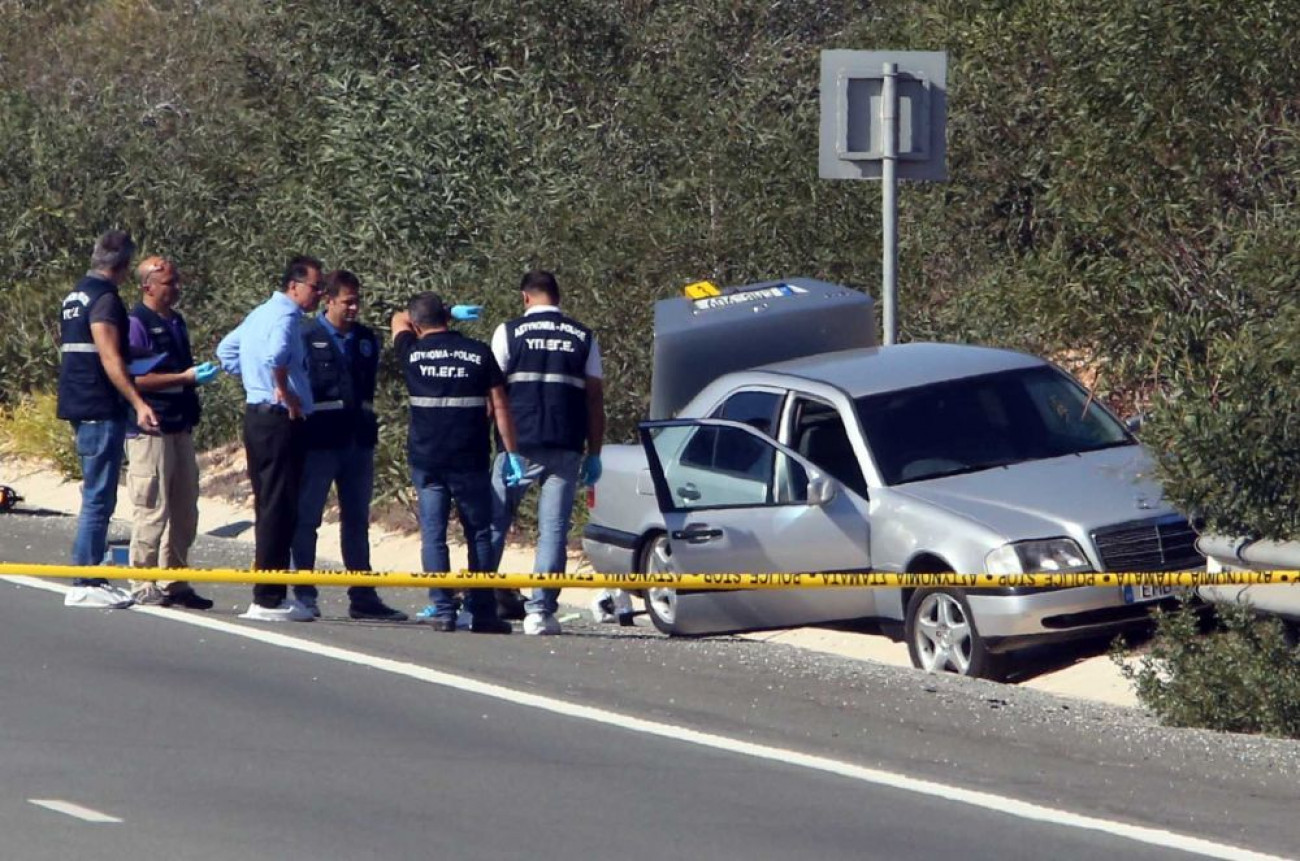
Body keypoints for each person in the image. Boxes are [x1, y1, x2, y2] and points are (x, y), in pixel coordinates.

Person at [393, 292, 525, 633]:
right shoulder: (478, 353)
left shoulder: (412, 351)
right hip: (469, 458)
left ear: (419, 324)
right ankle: (482, 612)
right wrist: (510, 452)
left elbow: (398, 318)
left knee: (434, 534)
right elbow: (500, 407)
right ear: (448, 320)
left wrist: (444, 311)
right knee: (478, 533)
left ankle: (442, 610)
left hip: (427, 459)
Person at [489, 270, 605, 636]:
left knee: (495, 522)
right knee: (552, 530)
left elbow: (492, 394)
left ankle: (479, 600)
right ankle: (540, 611)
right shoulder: (583, 336)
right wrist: (595, 452)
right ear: (558, 297)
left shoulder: (508, 332)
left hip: (516, 445)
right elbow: (595, 397)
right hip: (566, 443)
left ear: (525, 298)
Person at [289, 270, 406, 621]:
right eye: (348, 301)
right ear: (329, 300)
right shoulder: (306, 335)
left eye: (358, 301)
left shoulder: (366, 339)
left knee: (356, 520)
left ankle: (363, 595)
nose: (354, 307)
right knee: (307, 519)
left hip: (358, 441)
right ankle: (303, 593)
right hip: (320, 442)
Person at [57, 229, 160, 609]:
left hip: (78, 399)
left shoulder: (74, 295)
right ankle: (87, 577)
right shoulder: (104, 298)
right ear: (123, 265)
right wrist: (137, 401)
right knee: (99, 497)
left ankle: (89, 574)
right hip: (98, 405)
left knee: (96, 494)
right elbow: (108, 356)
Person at [216, 256, 322, 622]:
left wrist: (252, 378)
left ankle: (269, 590)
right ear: (294, 286)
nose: (319, 295)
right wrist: (281, 389)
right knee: (279, 504)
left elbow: (226, 351)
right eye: (315, 288)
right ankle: (269, 597)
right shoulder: (286, 316)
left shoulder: (260, 313)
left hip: (257, 415)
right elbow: (277, 354)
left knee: (268, 501)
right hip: (279, 418)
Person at [125, 256, 217, 609]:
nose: (175, 288)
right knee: (152, 506)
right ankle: (142, 579)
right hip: (152, 428)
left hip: (180, 425)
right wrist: (185, 378)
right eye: (169, 283)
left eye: (177, 281)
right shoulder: (136, 323)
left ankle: (174, 578)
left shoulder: (176, 321)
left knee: (184, 508)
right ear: (148, 286)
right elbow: (137, 377)